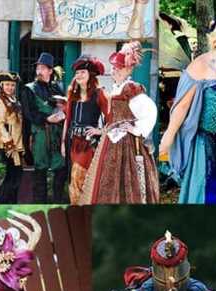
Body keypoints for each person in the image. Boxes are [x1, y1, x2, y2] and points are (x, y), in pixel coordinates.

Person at [159, 15, 216, 204]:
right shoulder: (200, 66)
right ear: (215, 40)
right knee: (206, 188)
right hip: (202, 138)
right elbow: (182, 106)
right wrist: (169, 136)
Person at [79, 42, 159, 204]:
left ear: (128, 70)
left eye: (118, 68)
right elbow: (114, 119)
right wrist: (102, 131)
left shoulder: (130, 89)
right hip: (112, 142)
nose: (114, 70)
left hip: (126, 145)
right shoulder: (117, 88)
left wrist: (136, 129)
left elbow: (151, 110)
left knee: (126, 181)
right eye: (113, 67)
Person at [61, 55, 108, 205]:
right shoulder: (72, 95)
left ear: (90, 75)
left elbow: (111, 117)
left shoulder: (99, 94)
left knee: (80, 177)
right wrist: (63, 142)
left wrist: (100, 131)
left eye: (83, 72)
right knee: (73, 179)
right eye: (77, 73)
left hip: (88, 145)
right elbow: (67, 120)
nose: (79, 75)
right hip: (72, 142)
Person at [21, 52, 67, 203]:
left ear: (50, 71)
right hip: (40, 134)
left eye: (43, 68)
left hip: (57, 135)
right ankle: (40, 203)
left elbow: (65, 108)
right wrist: (46, 118)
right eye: (38, 68)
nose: (39, 71)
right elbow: (29, 113)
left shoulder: (57, 88)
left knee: (60, 170)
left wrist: (62, 113)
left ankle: (58, 202)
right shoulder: (29, 89)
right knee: (40, 172)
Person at [0, 71, 25, 204]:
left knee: (16, 176)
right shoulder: (0, 104)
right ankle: (4, 202)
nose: (10, 87)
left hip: (18, 143)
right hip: (8, 146)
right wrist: (8, 142)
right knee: (11, 176)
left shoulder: (14, 101)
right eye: (7, 85)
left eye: (12, 85)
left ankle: (12, 202)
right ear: (2, 86)